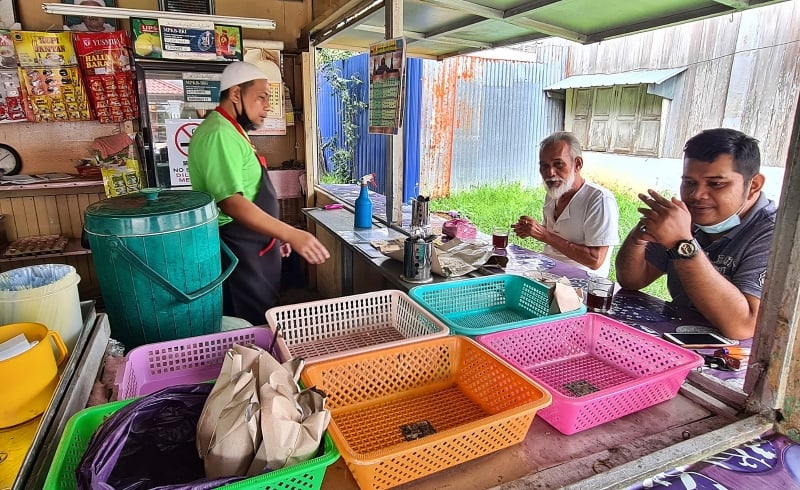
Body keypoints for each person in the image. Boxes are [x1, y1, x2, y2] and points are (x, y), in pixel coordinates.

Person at [188, 61, 330, 325]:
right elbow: (231, 202)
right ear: (235, 94)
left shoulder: (234, 130)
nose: (268, 106)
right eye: (261, 97)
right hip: (236, 251)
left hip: (254, 248)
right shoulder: (219, 133)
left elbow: (251, 192)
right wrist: (291, 233)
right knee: (245, 327)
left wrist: (274, 233)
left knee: (262, 320)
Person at [615, 128, 777, 340]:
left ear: (753, 185)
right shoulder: (688, 216)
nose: (696, 195)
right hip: (680, 339)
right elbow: (632, 280)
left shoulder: (773, 235)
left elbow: (742, 326)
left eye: (716, 184)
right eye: (689, 183)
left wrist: (682, 244)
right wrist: (641, 234)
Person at [512, 131, 620, 277]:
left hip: (582, 284)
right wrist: (532, 230)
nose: (550, 172)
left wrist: (544, 235)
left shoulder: (599, 199)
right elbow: (558, 233)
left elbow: (595, 260)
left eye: (558, 164)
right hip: (546, 271)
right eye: (544, 166)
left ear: (577, 164)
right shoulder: (554, 193)